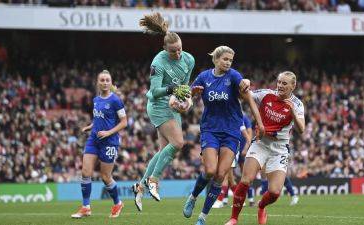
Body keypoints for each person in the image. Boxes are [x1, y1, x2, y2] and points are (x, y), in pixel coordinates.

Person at [182, 46, 265, 225]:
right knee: (210, 170)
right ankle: (193, 196)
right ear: (216, 59)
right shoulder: (204, 77)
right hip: (210, 129)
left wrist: (259, 122)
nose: (228, 63)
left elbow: (248, 96)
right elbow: (188, 98)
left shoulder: (234, 76)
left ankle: (202, 217)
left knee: (221, 175)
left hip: (231, 132)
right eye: (225, 59)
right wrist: (190, 97)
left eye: (230, 60)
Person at [132, 12, 195, 211]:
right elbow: (153, 93)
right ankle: (154, 180)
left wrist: (185, 101)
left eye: (180, 49)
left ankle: (140, 187)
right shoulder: (158, 63)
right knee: (178, 143)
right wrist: (171, 90)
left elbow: (184, 88)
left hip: (172, 106)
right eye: (173, 51)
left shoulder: (188, 60)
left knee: (163, 152)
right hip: (158, 106)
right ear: (165, 48)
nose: (178, 54)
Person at [224, 71, 305, 225]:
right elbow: (245, 94)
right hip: (261, 143)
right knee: (246, 180)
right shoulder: (266, 95)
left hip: (280, 149)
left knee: (274, 192)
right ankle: (234, 218)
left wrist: (293, 111)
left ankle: (261, 206)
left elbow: (301, 129)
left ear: (293, 86)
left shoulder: (298, 104)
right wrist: (245, 82)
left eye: (284, 83)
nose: (280, 85)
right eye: (279, 82)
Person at [71, 70, 127, 218]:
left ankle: (117, 203)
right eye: (102, 80)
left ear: (110, 82)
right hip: (94, 139)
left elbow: (124, 122)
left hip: (109, 142)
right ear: (98, 82)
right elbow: (99, 119)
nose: (105, 82)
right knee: (85, 172)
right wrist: (90, 126)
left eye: (107, 80)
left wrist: (108, 133)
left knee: (105, 177)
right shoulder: (96, 100)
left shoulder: (115, 100)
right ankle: (86, 207)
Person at [212, 114, 252, 208]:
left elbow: (243, 130)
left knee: (224, 175)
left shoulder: (235, 115)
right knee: (230, 178)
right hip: (224, 147)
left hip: (231, 148)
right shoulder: (224, 115)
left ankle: (220, 200)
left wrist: (248, 142)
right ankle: (240, 200)